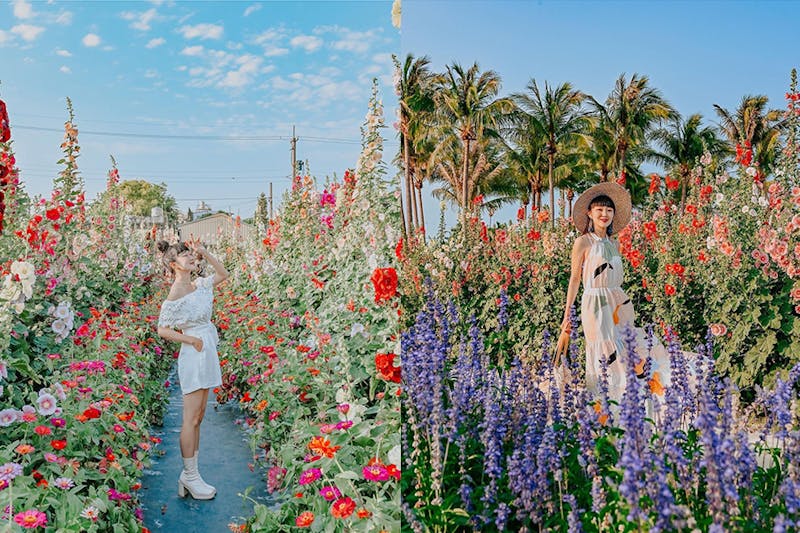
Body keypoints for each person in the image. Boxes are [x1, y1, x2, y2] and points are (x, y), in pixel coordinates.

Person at [555, 182, 674, 407]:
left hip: (618, 302)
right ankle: (604, 408)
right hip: (594, 303)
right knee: (603, 351)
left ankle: (629, 403)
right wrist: (567, 314)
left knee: (629, 345)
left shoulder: (614, 243)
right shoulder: (583, 242)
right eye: (599, 209)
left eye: (609, 210)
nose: (605, 214)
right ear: (589, 213)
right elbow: (575, 279)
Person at [156, 239, 228, 500]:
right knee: (190, 418)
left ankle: (192, 475)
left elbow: (223, 274)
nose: (189, 257)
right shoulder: (175, 294)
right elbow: (163, 329)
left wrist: (205, 252)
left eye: (189, 253)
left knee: (199, 416)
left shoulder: (199, 285)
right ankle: (189, 475)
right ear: (173, 265)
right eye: (183, 255)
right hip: (194, 352)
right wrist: (190, 339)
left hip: (206, 349)